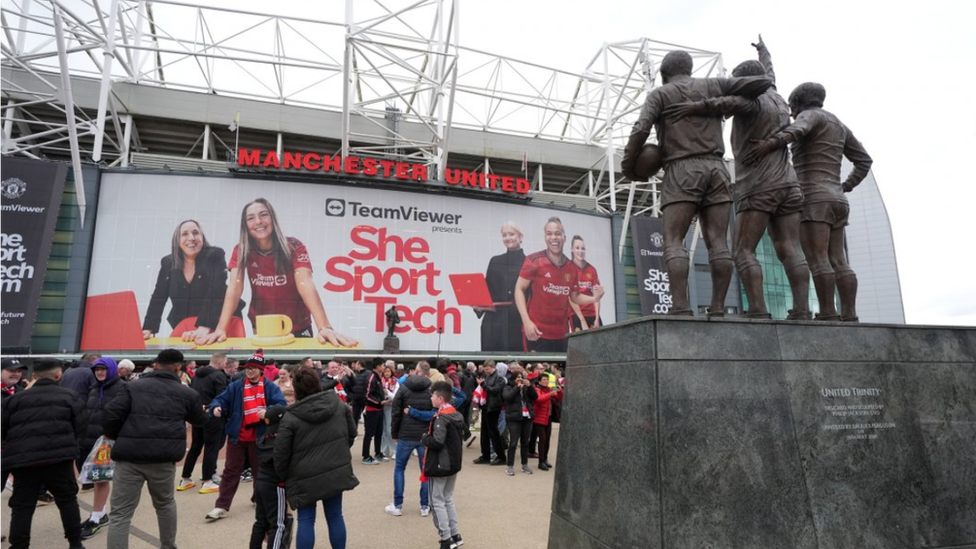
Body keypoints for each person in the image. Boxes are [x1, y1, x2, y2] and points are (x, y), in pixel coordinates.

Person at [663, 35, 811, 320]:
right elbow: (769, 74)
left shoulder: (749, 102)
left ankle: (757, 310)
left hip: (758, 185)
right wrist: (765, 52)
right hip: (790, 185)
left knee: (743, 250)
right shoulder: (778, 97)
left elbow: (721, 102)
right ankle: (803, 311)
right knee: (792, 248)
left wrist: (693, 107)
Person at [621, 50, 772, 317]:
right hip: (716, 168)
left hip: (682, 169)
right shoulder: (712, 84)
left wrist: (628, 165)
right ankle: (717, 308)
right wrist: (715, 102)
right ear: (689, 69)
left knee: (674, 241)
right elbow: (761, 82)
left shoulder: (660, 94)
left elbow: (641, 129)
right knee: (718, 243)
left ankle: (680, 308)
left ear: (664, 74)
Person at [744, 81, 873, 322]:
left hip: (813, 198)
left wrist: (768, 145)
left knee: (818, 258)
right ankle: (849, 314)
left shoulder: (809, 116)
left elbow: (796, 130)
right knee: (838, 260)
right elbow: (864, 161)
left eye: (792, 107)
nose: (792, 113)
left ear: (799, 102)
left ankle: (827, 312)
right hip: (837, 199)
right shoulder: (839, 124)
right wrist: (845, 186)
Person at [203, 198, 356, 347]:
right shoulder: (241, 249)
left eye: (263, 215)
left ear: (273, 218)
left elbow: (305, 283)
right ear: (245, 225)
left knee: (296, 370)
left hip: (297, 324)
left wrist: (324, 327)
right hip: (263, 325)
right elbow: (235, 287)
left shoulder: (294, 246)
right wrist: (221, 329)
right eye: (251, 218)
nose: (258, 221)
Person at [102, 349, 208, 549]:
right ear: (178, 367)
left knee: (120, 514)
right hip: (163, 457)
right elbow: (200, 421)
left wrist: (119, 436)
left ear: (156, 364)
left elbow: (111, 414)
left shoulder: (133, 387)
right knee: (165, 504)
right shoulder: (187, 393)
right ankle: (168, 545)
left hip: (129, 456)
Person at [0, 358, 87, 549]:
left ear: (33, 376)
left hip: (24, 461)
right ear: (58, 375)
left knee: (22, 506)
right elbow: (81, 426)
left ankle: (20, 545)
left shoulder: (14, 400)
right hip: (60, 459)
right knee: (67, 502)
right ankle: (75, 543)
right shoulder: (70, 397)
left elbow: (2, 429)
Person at [275, 368, 359, 549]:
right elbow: (351, 435)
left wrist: (283, 476)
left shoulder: (290, 416)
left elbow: (281, 453)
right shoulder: (338, 404)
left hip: (303, 474)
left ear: (296, 388)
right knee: (335, 515)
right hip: (334, 468)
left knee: (306, 520)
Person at [206, 349, 286, 521]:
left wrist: (268, 411)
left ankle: (259, 499)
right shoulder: (236, 386)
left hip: (260, 438)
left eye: (253, 368)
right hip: (237, 437)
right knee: (230, 472)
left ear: (261, 370)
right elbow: (220, 399)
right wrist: (216, 407)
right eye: (247, 368)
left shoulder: (270, 387)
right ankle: (221, 506)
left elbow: (281, 405)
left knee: (261, 473)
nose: (249, 371)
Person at [142, 220, 245, 341]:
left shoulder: (215, 255)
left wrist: (204, 326)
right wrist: (148, 328)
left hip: (219, 322)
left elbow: (217, 289)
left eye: (196, 233)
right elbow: (158, 298)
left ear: (202, 237)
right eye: (185, 234)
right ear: (177, 240)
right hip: (186, 326)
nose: (191, 238)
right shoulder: (168, 263)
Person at [515, 217, 604, 352]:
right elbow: (519, 289)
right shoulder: (533, 261)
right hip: (536, 333)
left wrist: (594, 298)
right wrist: (526, 322)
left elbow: (575, 296)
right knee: (538, 372)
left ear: (564, 237)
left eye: (557, 233)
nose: (553, 237)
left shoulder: (571, 268)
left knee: (561, 372)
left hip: (561, 335)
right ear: (545, 237)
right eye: (549, 233)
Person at [78, 357, 126, 540]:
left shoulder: (122, 388)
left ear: (112, 369)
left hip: (110, 442)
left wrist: (112, 435)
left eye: (103, 369)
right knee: (99, 479)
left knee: (102, 479)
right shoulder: (95, 387)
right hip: (92, 441)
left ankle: (97, 517)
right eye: (97, 369)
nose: (99, 372)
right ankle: (99, 514)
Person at [421, 381, 465, 549]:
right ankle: (455, 534)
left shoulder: (441, 417)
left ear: (439, 398)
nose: (431, 398)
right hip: (452, 463)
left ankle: (446, 538)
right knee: (447, 499)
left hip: (440, 464)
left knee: (437, 501)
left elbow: (437, 441)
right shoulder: (455, 414)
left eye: (432, 396)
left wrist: (424, 438)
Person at [178, 352, 229, 494]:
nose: (225, 365)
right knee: (211, 447)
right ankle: (207, 480)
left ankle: (185, 478)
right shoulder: (219, 375)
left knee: (195, 446)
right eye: (225, 362)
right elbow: (223, 397)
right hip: (213, 414)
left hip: (198, 414)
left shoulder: (196, 376)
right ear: (219, 361)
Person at [387, 361, 433, 517]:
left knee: (399, 469)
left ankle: (398, 505)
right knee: (425, 471)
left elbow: (395, 412)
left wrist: (394, 433)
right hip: (424, 435)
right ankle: (425, 505)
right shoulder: (431, 389)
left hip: (405, 434)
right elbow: (435, 413)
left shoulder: (404, 387)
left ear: (416, 371)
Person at [473, 221, 526, 352]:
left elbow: (531, 296)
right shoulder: (495, 261)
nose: (508, 238)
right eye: (504, 235)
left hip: (516, 323)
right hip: (493, 324)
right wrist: (478, 305)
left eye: (511, 234)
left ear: (520, 236)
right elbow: (487, 289)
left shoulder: (529, 262)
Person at [249, 404, 291, 549]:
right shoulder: (281, 441)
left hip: (261, 483)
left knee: (260, 522)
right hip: (275, 485)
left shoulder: (263, 439)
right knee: (278, 524)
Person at [502, 366, 538, 476]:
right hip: (514, 418)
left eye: (521, 377)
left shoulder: (526, 387)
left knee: (525, 443)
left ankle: (524, 465)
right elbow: (507, 398)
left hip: (527, 417)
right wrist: (517, 388)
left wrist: (530, 386)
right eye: (517, 377)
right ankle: (510, 466)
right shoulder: (508, 387)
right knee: (513, 443)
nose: (519, 379)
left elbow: (535, 397)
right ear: (513, 378)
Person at [473, 360, 506, 466]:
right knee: (484, 433)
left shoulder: (500, 378)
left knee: (494, 433)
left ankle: (501, 456)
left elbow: (495, 390)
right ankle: (485, 455)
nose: (485, 371)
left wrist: (483, 385)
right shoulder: (487, 377)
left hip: (494, 408)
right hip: (486, 407)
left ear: (493, 367)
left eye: (487, 369)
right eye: (484, 369)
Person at [567, 235, 603, 330]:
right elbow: (570, 298)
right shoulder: (568, 269)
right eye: (577, 248)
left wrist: (596, 318)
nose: (580, 251)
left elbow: (596, 296)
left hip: (592, 313)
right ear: (572, 249)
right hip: (577, 314)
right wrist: (582, 320)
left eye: (583, 248)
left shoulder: (591, 270)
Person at [530, 373, 561, 471]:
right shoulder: (537, 389)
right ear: (539, 381)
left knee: (547, 439)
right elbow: (539, 399)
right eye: (544, 379)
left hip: (548, 417)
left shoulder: (549, 389)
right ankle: (540, 462)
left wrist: (559, 391)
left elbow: (559, 397)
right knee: (542, 439)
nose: (546, 381)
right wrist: (550, 394)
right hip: (539, 417)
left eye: (547, 379)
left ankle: (545, 459)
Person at [361, 358, 388, 465]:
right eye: (382, 365)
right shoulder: (372, 377)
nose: (384, 367)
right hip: (372, 409)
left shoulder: (378, 377)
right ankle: (366, 456)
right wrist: (379, 402)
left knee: (379, 432)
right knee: (369, 433)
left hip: (379, 409)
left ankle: (378, 453)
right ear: (377, 366)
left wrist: (382, 401)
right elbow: (367, 395)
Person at [380, 362, 399, 460]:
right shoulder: (380, 381)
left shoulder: (395, 382)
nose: (387, 373)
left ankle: (395, 450)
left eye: (388, 371)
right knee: (383, 429)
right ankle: (384, 450)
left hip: (391, 407)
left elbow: (395, 397)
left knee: (390, 429)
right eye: (385, 371)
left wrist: (387, 392)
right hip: (381, 406)